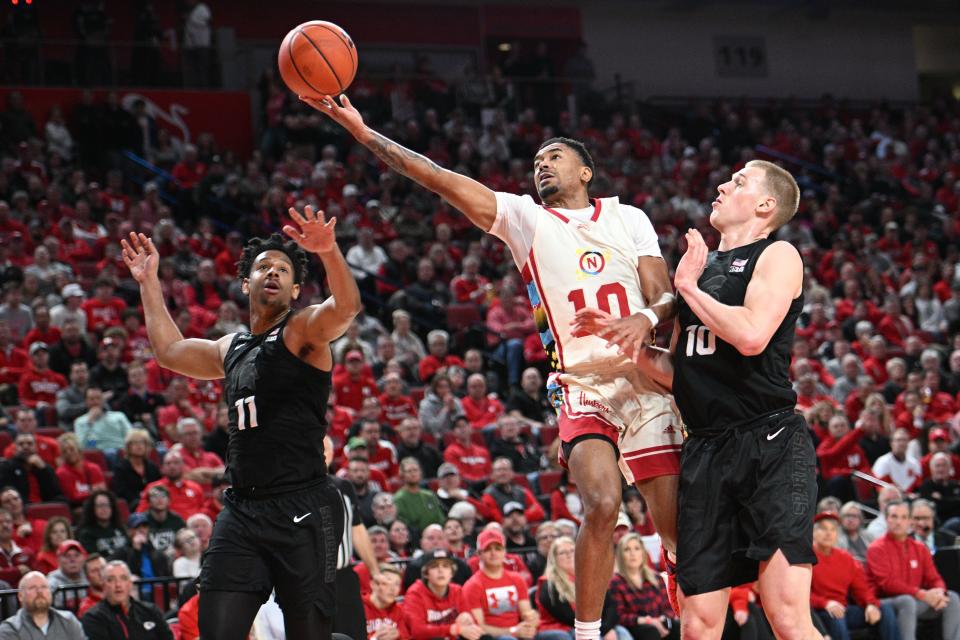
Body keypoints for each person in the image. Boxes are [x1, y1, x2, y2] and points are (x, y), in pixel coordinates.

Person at [310, 95, 683, 640]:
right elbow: (437, 177)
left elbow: (664, 295)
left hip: (645, 379)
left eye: (553, 157)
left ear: (585, 171)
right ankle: (586, 633)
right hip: (581, 385)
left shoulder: (629, 218)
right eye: (536, 161)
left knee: (675, 535)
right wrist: (366, 135)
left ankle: (679, 570)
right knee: (602, 504)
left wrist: (641, 320)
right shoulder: (525, 219)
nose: (541, 166)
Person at [584, 161, 820, 638]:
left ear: (765, 204)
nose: (722, 185)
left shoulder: (778, 255)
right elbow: (678, 373)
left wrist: (687, 287)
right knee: (697, 623)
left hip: (768, 440)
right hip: (706, 450)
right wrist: (624, 344)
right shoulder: (702, 267)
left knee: (786, 614)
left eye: (738, 182)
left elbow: (752, 336)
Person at [122, 212, 360, 639]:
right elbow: (170, 351)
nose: (273, 272)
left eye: (283, 269)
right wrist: (149, 283)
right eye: (264, 267)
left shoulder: (302, 330)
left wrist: (329, 252)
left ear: (294, 290)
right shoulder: (230, 347)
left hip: (302, 505)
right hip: (243, 509)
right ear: (246, 284)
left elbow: (345, 308)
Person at [809, 512, 898, 640]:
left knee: (884, 609)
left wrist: (870, 604)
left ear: (837, 534)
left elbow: (861, 588)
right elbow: (801, 595)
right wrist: (826, 603)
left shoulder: (846, 558)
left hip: (843, 609)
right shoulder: (806, 558)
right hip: (819, 611)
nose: (829, 533)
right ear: (813, 532)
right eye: (823, 528)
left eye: (833, 529)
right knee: (836, 618)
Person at [463, 529, 541, 640]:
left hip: (519, 632)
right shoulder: (473, 585)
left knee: (557, 636)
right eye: (488, 549)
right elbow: (479, 627)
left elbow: (526, 613)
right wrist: (513, 632)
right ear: (479, 554)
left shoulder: (517, 579)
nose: (494, 553)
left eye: (498, 548)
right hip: (493, 637)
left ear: (504, 552)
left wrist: (532, 621)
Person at [608, 533, 678, 640]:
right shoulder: (616, 582)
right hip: (635, 626)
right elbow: (618, 616)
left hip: (659, 621)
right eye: (627, 549)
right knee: (650, 631)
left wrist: (661, 619)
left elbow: (668, 608)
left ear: (643, 553)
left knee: (677, 627)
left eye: (637, 549)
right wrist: (646, 620)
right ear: (621, 555)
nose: (633, 554)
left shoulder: (656, 577)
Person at [402, 549, 483, 640]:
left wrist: (469, 620)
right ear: (425, 573)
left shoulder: (457, 591)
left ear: (451, 573)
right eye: (434, 566)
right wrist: (454, 629)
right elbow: (417, 631)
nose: (441, 570)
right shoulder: (415, 593)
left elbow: (474, 628)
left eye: (445, 566)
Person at [81, 560, 173, 640]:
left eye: (123, 578)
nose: (118, 585)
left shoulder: (151, 611)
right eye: (111, 580)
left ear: (130, 584)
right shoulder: (93, 618)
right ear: (104, 586)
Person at [0, 571, 85, 640]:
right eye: (32, 587)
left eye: (44, 587)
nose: (39, 591)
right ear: (20, 596)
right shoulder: (9, 629)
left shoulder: (69, 621)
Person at [394, 457, 445, 532]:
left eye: (415, 470)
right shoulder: (399, 498)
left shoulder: (429, 495)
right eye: (409, 471)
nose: (413, 474)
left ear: (420, 472)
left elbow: (441, 519)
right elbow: (406, 525)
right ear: (402, 474)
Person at [76, 490, 130, 557]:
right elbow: (94, 562)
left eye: (107, 505)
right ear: (92, 508)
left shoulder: (120, 528)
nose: (104, 509)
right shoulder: (86, 534)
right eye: (100, 505)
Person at [363, 564, 409, 640]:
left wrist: (398, 635)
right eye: (386, 583)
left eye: (397, 584)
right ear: (373, 584)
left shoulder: (400, 611)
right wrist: (375, 638)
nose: (392, 589)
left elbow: (407, 636)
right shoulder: (358, 608)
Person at [47, 539, 87, 610]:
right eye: (67, 556)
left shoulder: (90, 575)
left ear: (84, 558)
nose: (72, 560)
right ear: (58, 560)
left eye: (77, 555)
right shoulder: (52, 582)